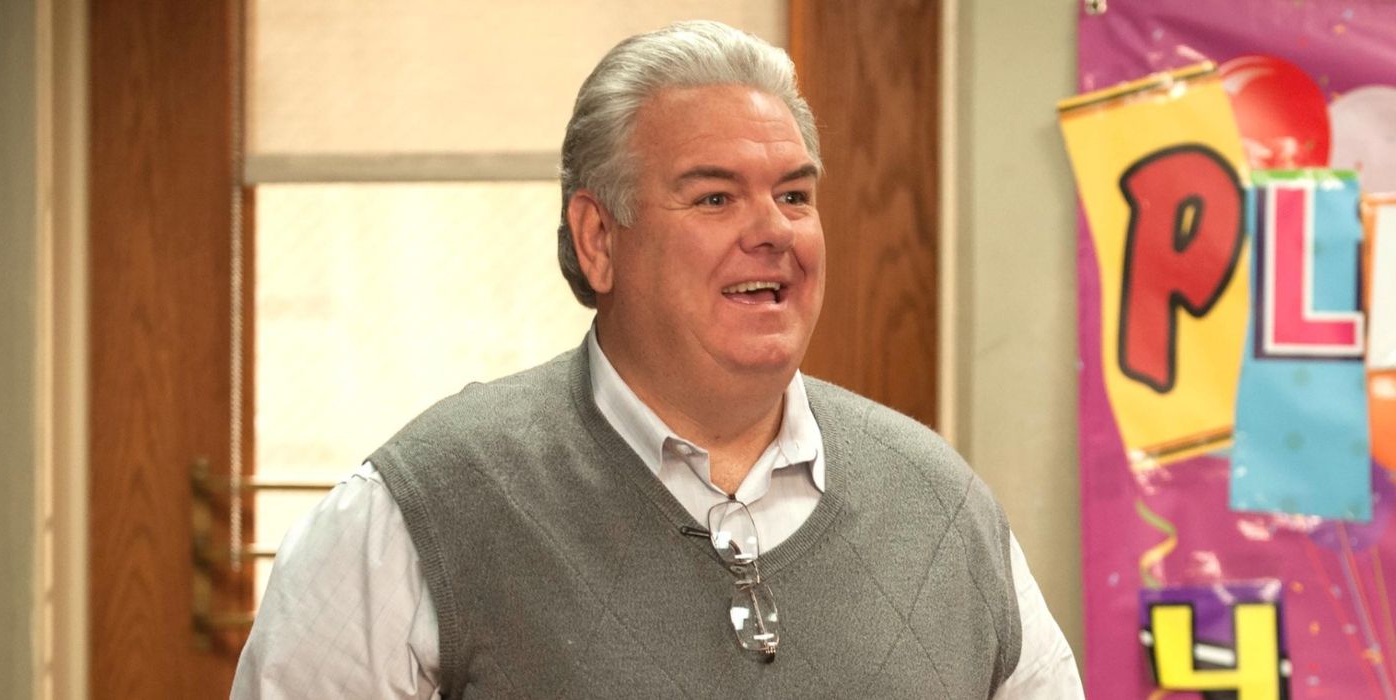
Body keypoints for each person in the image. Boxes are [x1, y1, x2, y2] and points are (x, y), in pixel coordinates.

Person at [232, 20, 1083, 699]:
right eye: (715, 197)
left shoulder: (940, 506)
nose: (773, 231)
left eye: (794, 194)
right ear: (598, 240)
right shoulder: (420, 511)